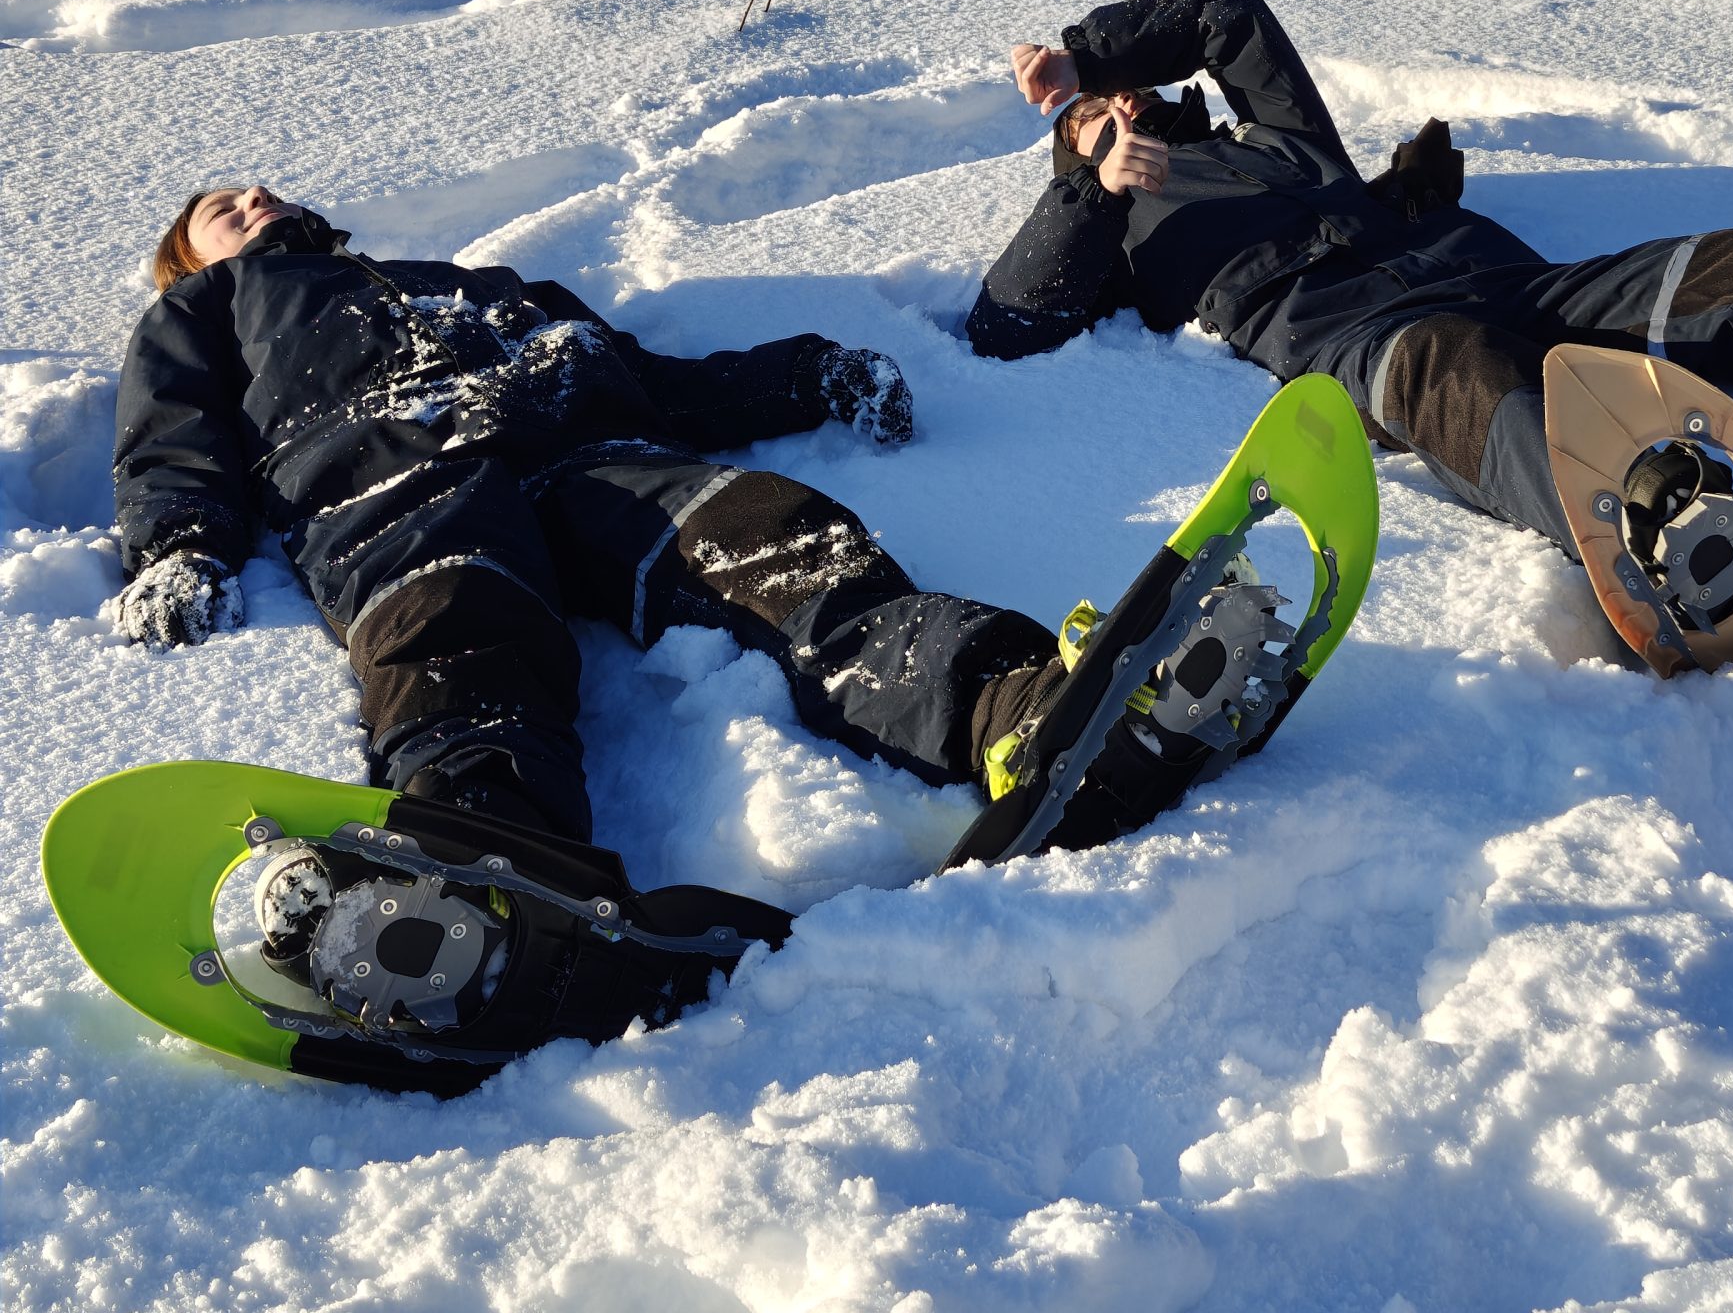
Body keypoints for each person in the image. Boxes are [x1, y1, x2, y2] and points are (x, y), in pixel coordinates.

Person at [114, 185, 1203, 864]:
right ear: (187, 256)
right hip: (397, 472)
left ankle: (1020, 708)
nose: (252, 201)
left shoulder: (468, 283)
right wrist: (178, 544)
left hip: (591, 451)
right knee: (456, 609)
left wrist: (807, 373)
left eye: (261, 191)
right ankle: (486, 837)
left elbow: (650, 378)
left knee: (774, 538)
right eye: (222, 208)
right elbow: (171, 435)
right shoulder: (207, 310)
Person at [969, 0, 1733, 588]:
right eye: (1092, 119)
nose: (1120, 114)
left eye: (1127, 99)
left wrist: (1086, 58)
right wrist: (1092, 194)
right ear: (1069, 154)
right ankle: (1662, 531)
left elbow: (1229, 13)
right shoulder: (1119, 237)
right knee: (1463, 373)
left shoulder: (1283, 143)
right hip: (1376, 346)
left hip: (1516, 284)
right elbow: (1007, 323)